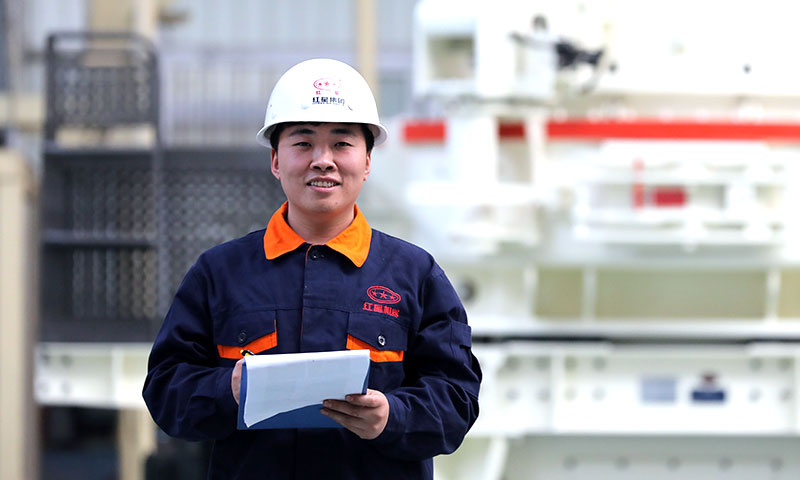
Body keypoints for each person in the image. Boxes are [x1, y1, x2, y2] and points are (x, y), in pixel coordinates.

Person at [142, 58, 482, 480]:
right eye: (303, 143)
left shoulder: (415, 276)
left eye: (342, 144)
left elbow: (457, 399)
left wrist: (391, 416)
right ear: (275, 160)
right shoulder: (220, 274)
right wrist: (226, 390)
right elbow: (165, 391)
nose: (323, 160)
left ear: (368, 161)